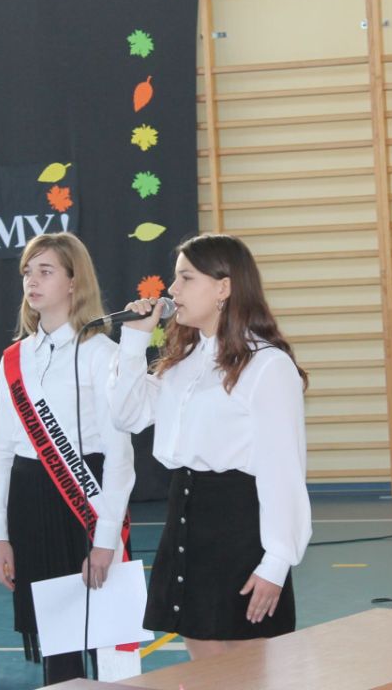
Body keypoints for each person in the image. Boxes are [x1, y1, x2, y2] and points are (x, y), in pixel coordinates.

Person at [108, 233, 311, 660]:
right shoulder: (182, 362)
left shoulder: (267, 366)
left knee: (248, 673)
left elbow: (283, 472)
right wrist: (133, 341)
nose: (172, 290)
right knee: (205, 669)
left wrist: (276, 563)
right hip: (186, 519)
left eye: (186, 278)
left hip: (238, 528)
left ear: (223, 287)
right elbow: (126, 415)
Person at [0, 232, 135, 684]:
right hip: (30, 504)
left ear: (74, 282)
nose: (32, 281)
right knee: (58, 648)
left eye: (45, 271)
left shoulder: (101, 354)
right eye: (27, 272)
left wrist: (105, 540)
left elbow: (119, 455)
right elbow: (1, 452)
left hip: (85, 501)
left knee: (108, 646)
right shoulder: (14, 359)